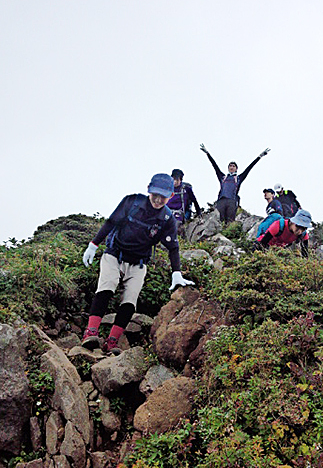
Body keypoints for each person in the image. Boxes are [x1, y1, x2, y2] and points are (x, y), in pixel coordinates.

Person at [81, 173, 194, 355]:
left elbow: (173, 247)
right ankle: (90, 333)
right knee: (106, 288)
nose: (158, 200)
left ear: (170, 196)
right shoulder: (131, 202)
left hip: (138, 263)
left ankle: (111, 342)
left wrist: (177, 272)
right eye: (154, 195)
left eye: (163, 196)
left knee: (129, 302)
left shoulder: (167, 220)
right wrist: (93, 245)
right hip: (114, 254)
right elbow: (110, 222)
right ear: (148, 191)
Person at [200, 143, 270, 223]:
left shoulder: (239, 178)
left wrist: (260, 156)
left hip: (232, 200)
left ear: (236, 169)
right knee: (220, 220)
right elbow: (214, 165)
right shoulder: (223, 177)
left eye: (233, 166)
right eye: (230, 166)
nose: (231, 167)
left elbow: (249, 167)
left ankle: (229, 234)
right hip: (221, 200)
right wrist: (207, 153)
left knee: (230, 221)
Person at [168, 169, 201, 234]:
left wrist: (199, 212)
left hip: (180, 213)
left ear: (180, 180)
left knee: (175, 226)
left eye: (177, 180)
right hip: (167, 212)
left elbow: (194, 200)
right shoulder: (167, 188)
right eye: (173, 179)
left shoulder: (186, 189)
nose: (174, 182)